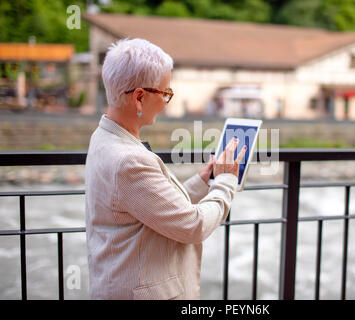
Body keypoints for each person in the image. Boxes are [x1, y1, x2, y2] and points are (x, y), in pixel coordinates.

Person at [84, 38, 247, 300]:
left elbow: (150, 206)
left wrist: (204, 181)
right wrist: (226, 180)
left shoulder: (104, 137)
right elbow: (193, 226)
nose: (167, 101)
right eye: (165, 93)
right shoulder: (129, 161)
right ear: (139, 97)